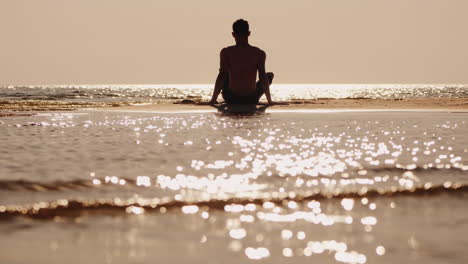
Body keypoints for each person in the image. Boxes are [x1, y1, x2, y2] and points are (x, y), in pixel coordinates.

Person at [209, 19, 275, 105]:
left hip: (231, 98)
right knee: (269, 75)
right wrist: (269, 101)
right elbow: (262, 76)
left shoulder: (226, 52)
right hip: (251, 98)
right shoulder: (259, 53)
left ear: (233, 34)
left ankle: (215, 98)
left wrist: (213, 100)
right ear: (249, 33)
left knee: (223, 71)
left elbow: (222, 75)